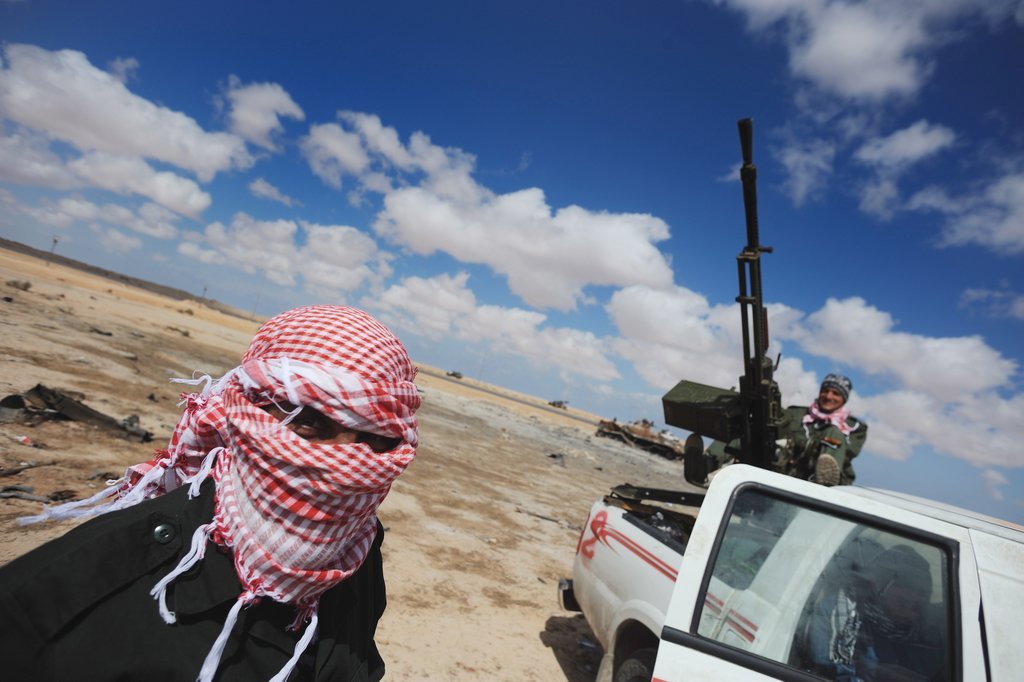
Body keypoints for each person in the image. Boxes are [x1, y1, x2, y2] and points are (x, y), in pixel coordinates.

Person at [0, 305, 421, 682]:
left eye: (373, 438)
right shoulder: (61, 602)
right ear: (245, 410)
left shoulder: (358, 552)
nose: (344, 462)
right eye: (309, 423)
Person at [801, 543, 948, 681]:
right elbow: (834, 673)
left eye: (918, 606)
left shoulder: (928, 629)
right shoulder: (841, 615)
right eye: (903, 603)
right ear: (877, 588)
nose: (912, 614)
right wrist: (881, 672)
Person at [697, 373, 868, 486]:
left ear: (844, 399)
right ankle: (706, 463)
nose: (828, 396)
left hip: (819, 477)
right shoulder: (798, 414)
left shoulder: (854, 428)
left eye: (835, 393)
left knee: (834, 433)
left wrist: (808, 442)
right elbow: (778, 426)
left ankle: (825, 481)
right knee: (749, 427)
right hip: (788, 470)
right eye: (826, 391)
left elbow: (849, 452)